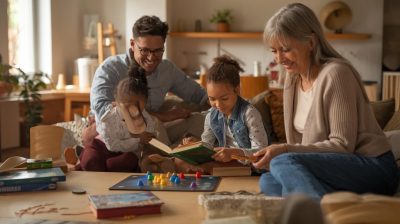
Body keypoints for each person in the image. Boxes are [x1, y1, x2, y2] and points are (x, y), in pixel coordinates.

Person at [253, 3, 399, 200]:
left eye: (285, 49)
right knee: (268, 180)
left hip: (372, 166)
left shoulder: (336, 73)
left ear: (311, 42)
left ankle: (321, 215)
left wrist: (285, 150)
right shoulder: (292, 79)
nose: (279, 59)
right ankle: (329, 201)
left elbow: (341, 146)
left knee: (282, 164)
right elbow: (302, 150)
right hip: (335, 168)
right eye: (274, 51)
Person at [90, 15, 209, 146]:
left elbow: (198, 94)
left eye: (158, 50)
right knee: (154, 124)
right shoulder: (110, 68)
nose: (151, 57)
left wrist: (223, 105)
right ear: (132, 44)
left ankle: (177, 154)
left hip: (155, 130)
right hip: (120, 136)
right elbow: (102, 111)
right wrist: (162, 116)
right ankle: (168, 159)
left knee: (200, 120)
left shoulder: (167, 69)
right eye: (145, 50)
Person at [68, 64, 170, 172]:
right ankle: (81, 161)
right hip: (102, 148)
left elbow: (150, 137)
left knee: (128, 161)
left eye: (140, 109)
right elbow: (112, 145)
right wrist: (138, 140)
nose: (135, 113)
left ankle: (88, 165)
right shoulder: (108, 119)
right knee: (91, 160)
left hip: (124, 154)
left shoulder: (146, 119)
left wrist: (150, 138)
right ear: (116, 103)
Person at [181, 55, 269, 172]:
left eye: (224, 99)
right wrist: (195, 146)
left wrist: (234, 153)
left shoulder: (249, 113)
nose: (218, 105)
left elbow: (261, 153)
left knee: (207, 168)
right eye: (212, 99)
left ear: (237, 90)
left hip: (248, 165)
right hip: (223, 161)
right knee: (181, 161)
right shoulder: (211, 115)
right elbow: (208, 146)